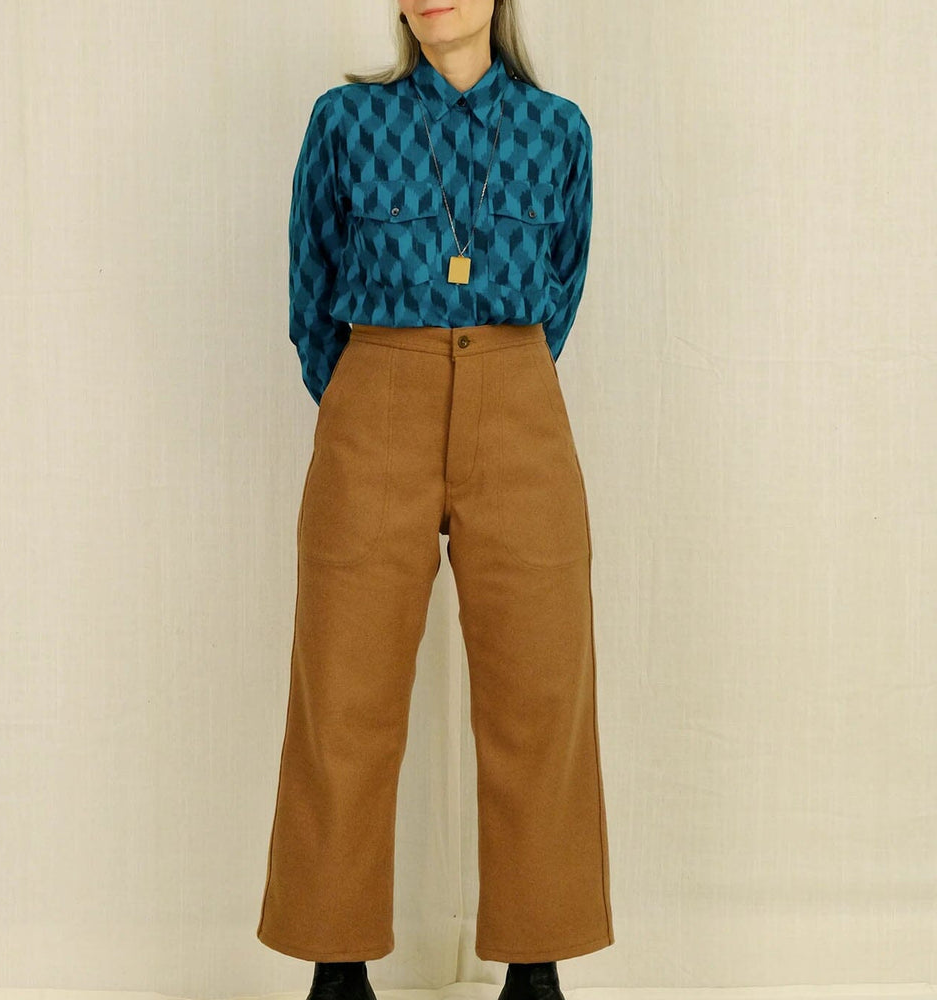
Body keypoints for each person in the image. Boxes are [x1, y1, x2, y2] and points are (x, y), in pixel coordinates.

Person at [256, 2, 614, 998]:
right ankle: (336, 964)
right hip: (375, 403)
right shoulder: (345, 119)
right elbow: (308, 286)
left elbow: (565, 283)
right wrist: (375, 391)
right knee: (343, 690)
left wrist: (500, 380)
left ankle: (534, 962)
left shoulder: (558, 129)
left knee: (540, 693)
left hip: (518, 405)